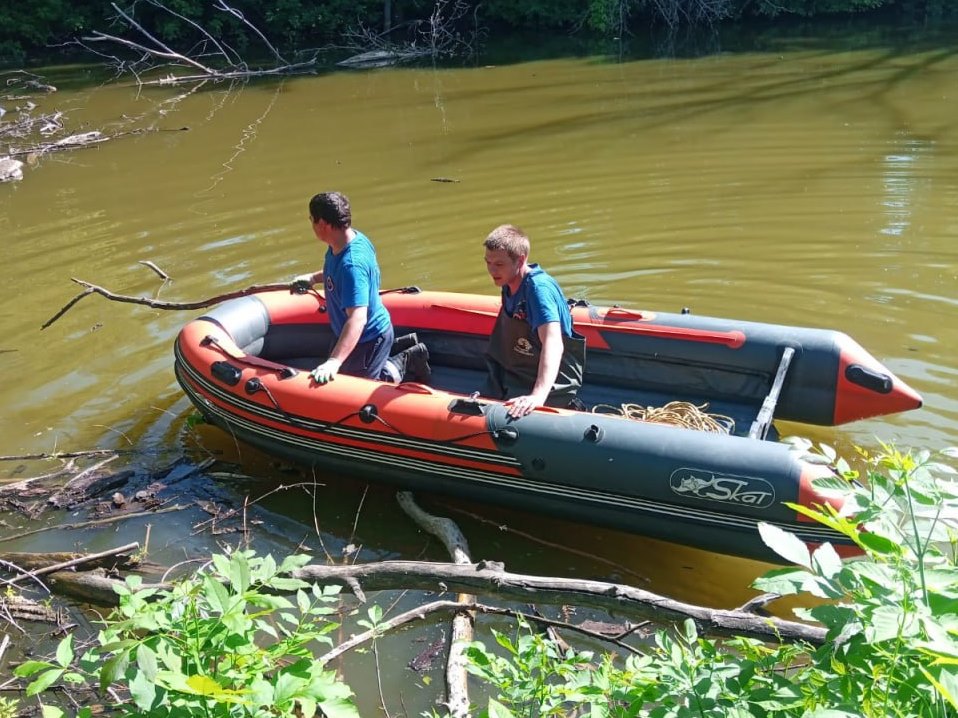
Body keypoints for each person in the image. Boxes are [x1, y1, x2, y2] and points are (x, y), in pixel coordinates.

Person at [482, 224, 585, 418]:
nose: (491, 270)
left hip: (556, 377)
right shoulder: (508, 281)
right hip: (520, 368)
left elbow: (553, 343)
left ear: (520, 260)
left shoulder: (538, 290)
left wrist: (537, 396)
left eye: (499, 264)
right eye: (488, 262)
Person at [292, 191, 394, 385]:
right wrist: (313, 278)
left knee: (358, 393)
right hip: (349, 333)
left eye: (311, 220)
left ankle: (406, 362)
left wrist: (333, 362)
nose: (311, 225)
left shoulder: (352, 265)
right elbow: (337, 274)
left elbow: (357, 318)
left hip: (368, 339)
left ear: (322, 223)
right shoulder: (348, 240)